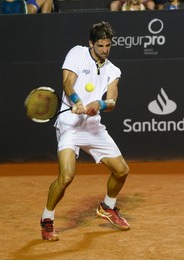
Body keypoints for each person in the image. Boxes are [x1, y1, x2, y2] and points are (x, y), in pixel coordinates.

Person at [40, 21, 130, 241]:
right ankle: (47, 219)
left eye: (108, 45)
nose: (105, 50)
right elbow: (67, 82)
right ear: (91, 43)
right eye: (100, 46)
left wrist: (99, 105)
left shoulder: (112, 70)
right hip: (69, 123)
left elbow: (112, 100)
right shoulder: (77, 54)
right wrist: (77, 101)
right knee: (67, 175)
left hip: (92, 126)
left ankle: (107, 207)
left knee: (122, 170)